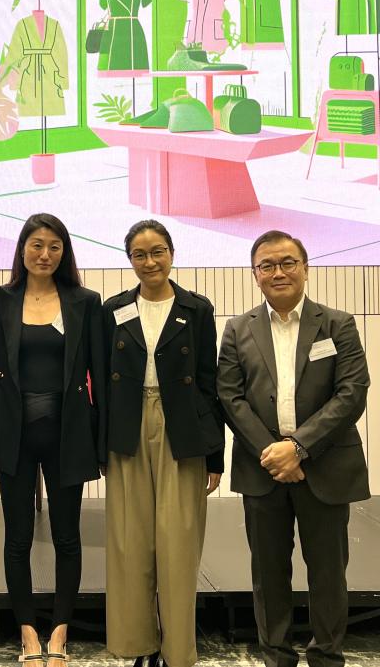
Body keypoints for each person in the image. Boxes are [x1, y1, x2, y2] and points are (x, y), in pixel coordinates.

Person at [217, 230, 370, 667]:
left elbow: (352, 392)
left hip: (325, 464)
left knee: (328, 572)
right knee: (268, 574)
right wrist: (274, 453)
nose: (278, 272)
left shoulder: (337, 324)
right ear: (255, 274)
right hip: (263, 467)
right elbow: (229, 395)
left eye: (287, 262)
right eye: (267, 265)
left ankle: (327, 657)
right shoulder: (238, 329)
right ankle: (276, 657)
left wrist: (299, 448)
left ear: (305, 268)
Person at [0, 213, 104, 667]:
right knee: (18, 538)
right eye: (36, 245)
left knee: (68, 537)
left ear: (64, 252)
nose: (45, 254)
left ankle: (60, 631)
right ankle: (28, 632)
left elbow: (98, 375)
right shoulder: (0, 299)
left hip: (68, 435)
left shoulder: (85, 301)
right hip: (15, 436)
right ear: (22, 250)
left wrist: (100, 441)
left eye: (54, 246)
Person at [102, 220, 223, 667]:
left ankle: (177, 651)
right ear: (129, 260)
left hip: (183, 429)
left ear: (171, 253)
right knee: (129, 542)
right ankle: (139, 645)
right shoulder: (114, 309)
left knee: (178, 545)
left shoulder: (197, 309)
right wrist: (101, 446)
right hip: (127, 429)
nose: (149, 262)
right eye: (139, 254)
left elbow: (209, 383)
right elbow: (102, 384)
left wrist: (215, 456)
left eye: (157, 252)